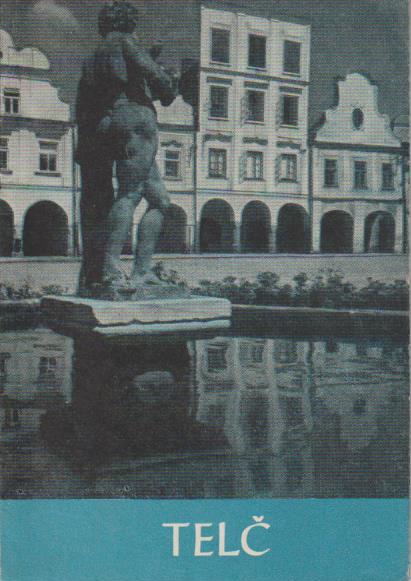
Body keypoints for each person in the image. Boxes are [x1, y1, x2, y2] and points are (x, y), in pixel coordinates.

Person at [75, 0, 178, 294]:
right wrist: (169, 81)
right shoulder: (123, 41)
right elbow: (157, 79)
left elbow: (106, 90)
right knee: (130, 194)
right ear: (128, 22)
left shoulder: (93, 57)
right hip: (136, 122)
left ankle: (142, 272)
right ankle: (111, 270)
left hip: (111, 124)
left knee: (160, 201)